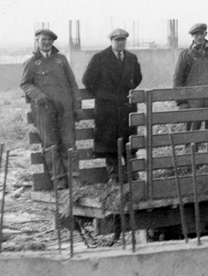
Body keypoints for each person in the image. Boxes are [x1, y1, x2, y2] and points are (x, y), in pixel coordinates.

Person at [20, 28, 81, 189]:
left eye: (49, 40)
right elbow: (25, 83)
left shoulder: (61, 60)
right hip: (45, 110)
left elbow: (73, 84)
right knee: (50, 144)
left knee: (69, 142)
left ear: (53, 42)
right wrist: (37, 95)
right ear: (37, 41)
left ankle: (73, 178)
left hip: (65, 109)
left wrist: (77, 105)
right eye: (43, 40)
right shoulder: (32, 62)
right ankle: (59, 180)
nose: (46, 43)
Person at [82, 28, 143, 182]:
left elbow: (137, 78)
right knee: (110, 142)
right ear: (111, 41)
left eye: (123, 40)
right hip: (107, 108)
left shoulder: (131, 58)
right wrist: (104, 95)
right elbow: (88, 80)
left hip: (125, 106)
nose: (120, 43)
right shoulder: (99, 58)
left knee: (128, 139)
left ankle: (132, 173)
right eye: (117, 40)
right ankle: (115, 176)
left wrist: (124, 93)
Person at [172, 23, 208, 147]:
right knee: (191, 137)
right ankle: (189, 162)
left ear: (206, 34)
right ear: (192, 37)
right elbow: (177, 81)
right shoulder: (185, 55)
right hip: (193, 102)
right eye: (195, 34)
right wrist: (181, 103)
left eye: (201, 33)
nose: (199, 37)